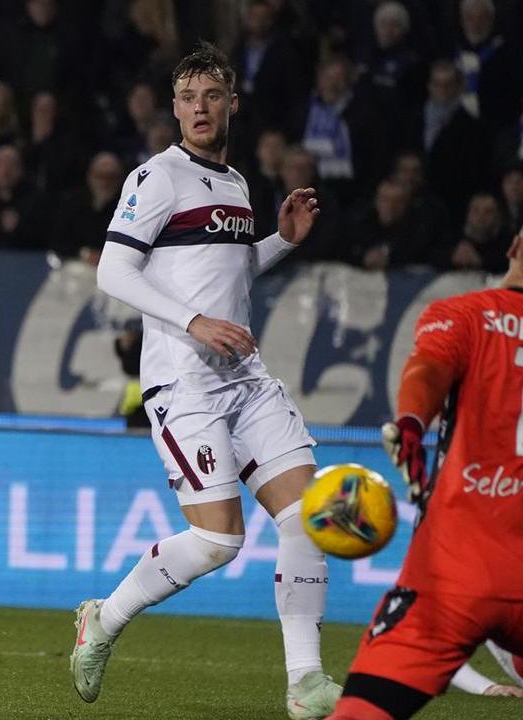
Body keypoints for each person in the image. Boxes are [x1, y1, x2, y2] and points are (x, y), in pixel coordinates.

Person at [73, 43, 340, 719]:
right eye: (188, 96)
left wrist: (280, 241)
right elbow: (115, 272)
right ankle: (104, 619)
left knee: (307, 517)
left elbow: (227, 272)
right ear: (174, 108)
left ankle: (305, 683)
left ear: (231, 104)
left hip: (243, 379)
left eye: (212, 95)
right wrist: (193, 323)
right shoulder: (156, 178)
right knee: (220, 541)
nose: (199, 107)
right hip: (183, 385)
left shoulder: (237, 183)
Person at [327, 232, 523, 720]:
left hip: (456, 574)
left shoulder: (464, 314)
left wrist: (412, 423)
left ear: (515, 246)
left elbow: (428, 371)